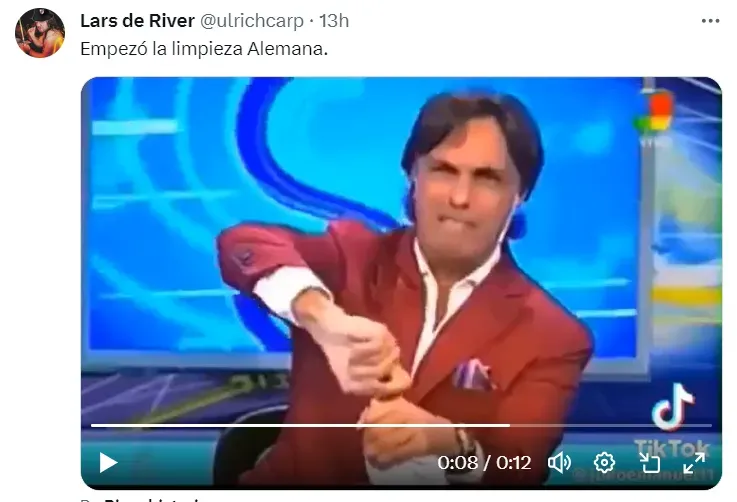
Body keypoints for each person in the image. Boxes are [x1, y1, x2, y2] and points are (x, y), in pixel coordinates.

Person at [217, 92, 593, 486]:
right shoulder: (351, 258)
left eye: (487, 178)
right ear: (413, 175)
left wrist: (452, 446)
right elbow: (242, 245)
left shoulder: (554, 337)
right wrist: (322, 318)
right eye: (443, 170)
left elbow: (519, 468)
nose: (460, 197)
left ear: (521, 194)